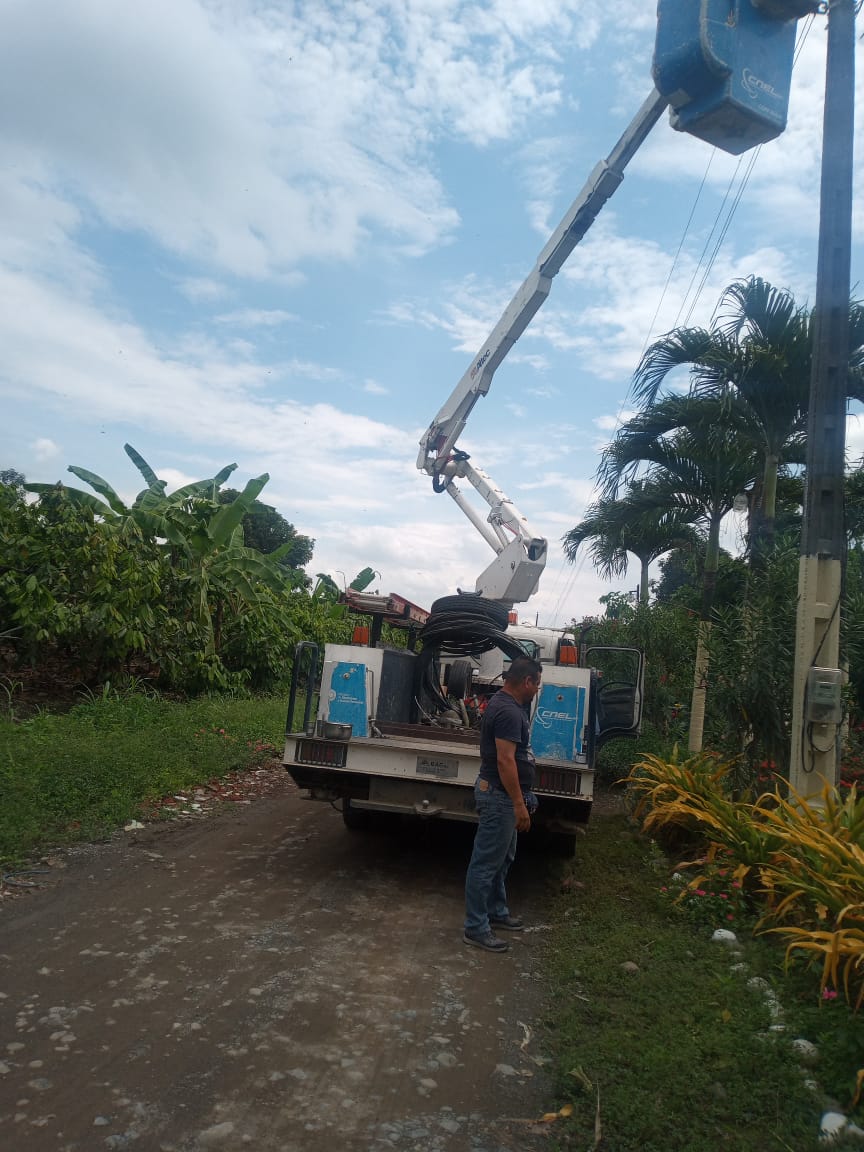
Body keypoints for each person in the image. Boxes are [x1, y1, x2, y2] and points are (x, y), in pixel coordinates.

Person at [463, 655, 542, 953]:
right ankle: (475, 927)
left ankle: (496, 911)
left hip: (503, 795)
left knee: (502, 859)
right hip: (499, 796)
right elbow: (505, 761)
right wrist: (519, 804)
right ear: (527, 681)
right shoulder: (508, 711)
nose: (537, 689)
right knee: (485, 864)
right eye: (537, 684)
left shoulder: (507, 705)